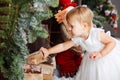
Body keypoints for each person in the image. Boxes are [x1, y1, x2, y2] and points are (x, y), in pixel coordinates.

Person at [40, 5, 120, 80]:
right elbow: (63, 46)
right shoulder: (78, 37)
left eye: (72, 26)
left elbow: (112, 42)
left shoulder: (97, 34)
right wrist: (48, 51)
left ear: (84, 26)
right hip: (92, 57)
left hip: (106, 56)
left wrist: (101, 54)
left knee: (104, 75)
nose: (69, 29)